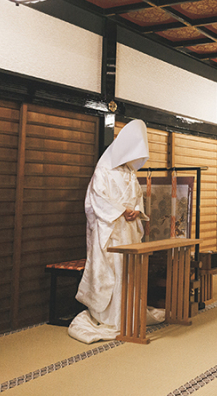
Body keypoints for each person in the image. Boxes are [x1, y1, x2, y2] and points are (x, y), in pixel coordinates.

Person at [68, 119, 163, 344]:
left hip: (128, 229)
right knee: (114, 272)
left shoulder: (129, 171)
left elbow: (137, 197)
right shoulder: (103, 170)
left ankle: (129, 316)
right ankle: (112, 319)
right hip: (110, 230)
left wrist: (136, 211)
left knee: (130, 272)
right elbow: (97, 200)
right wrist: (121, 210)